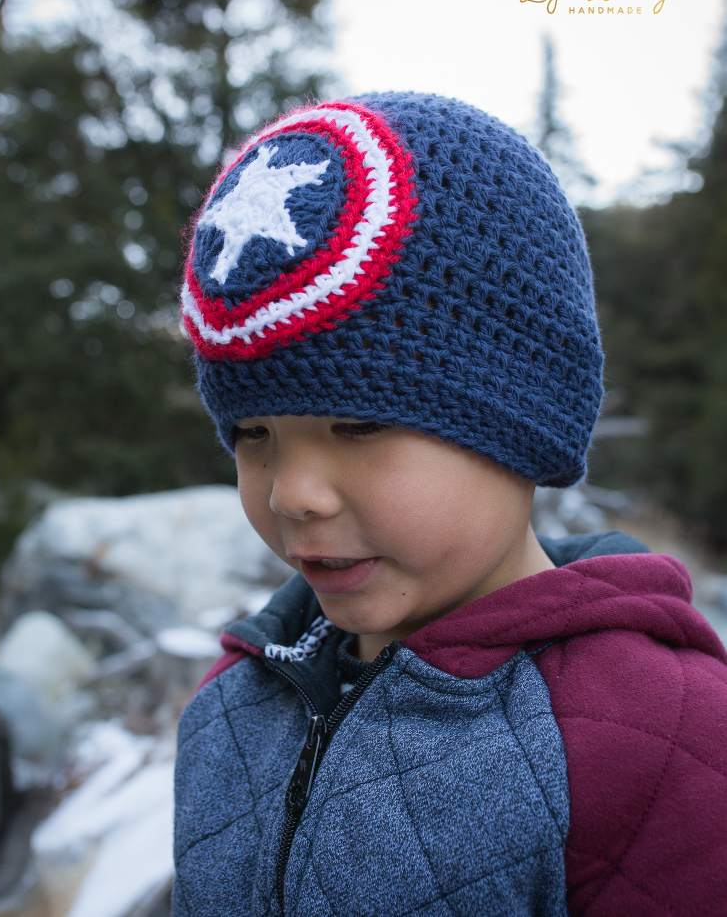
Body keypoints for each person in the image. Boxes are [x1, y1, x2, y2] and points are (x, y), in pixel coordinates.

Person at [172, 93, 727, 917]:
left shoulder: (660, 736)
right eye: (252, 433)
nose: (291, 493)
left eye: (358, 424)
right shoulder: (231, 705)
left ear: (519, 417)